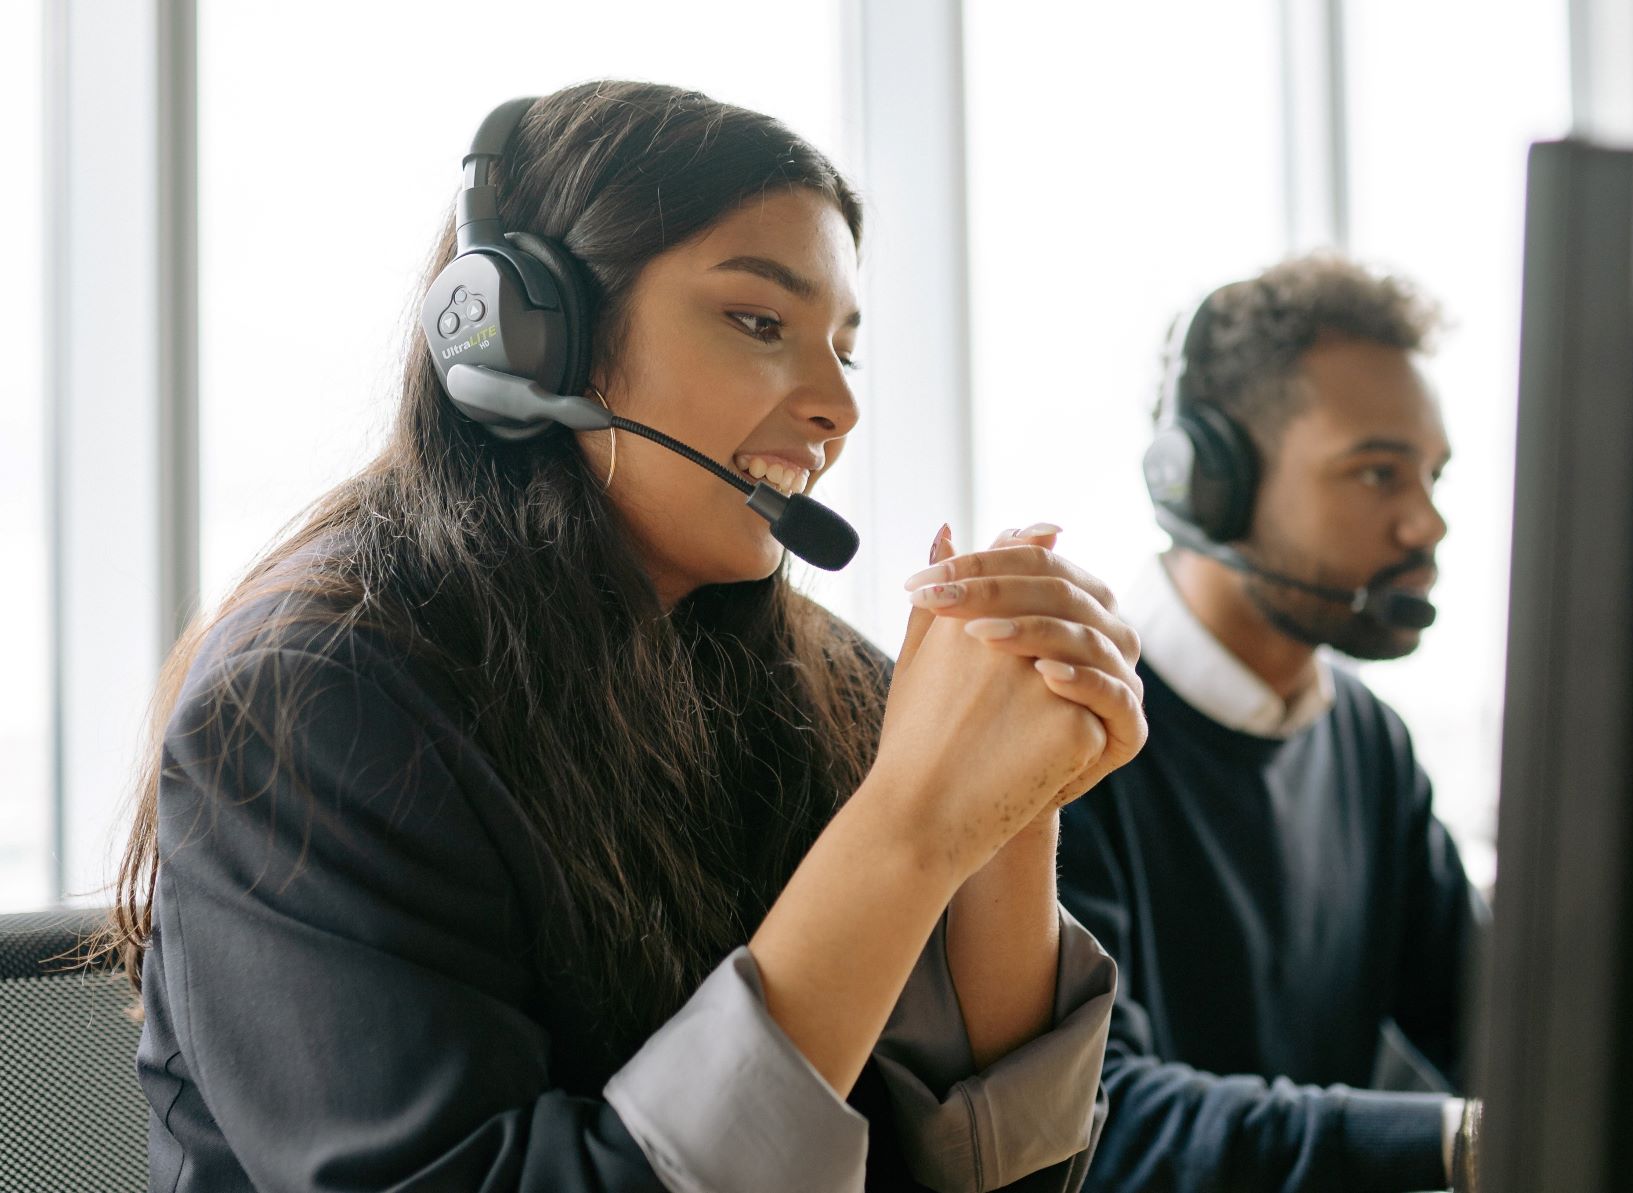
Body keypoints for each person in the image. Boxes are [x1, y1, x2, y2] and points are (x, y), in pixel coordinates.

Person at [107, 81, 1149, 1192]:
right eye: (760, 323)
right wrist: (908, 827)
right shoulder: (315, 701)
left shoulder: (809, 675)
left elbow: (1002, 1176)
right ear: (529, 341)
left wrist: (1008, 808)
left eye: (845, 347)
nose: (836, 404)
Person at [1060, 255, 1489, 1192]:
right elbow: (1098, 1122)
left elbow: (1494, 1025)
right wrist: (1452, 1144)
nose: (1427, 525)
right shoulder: (1065, 733)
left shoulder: (1368, 743)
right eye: (1377, 473)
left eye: (1432, 475)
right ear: (1206, 487)